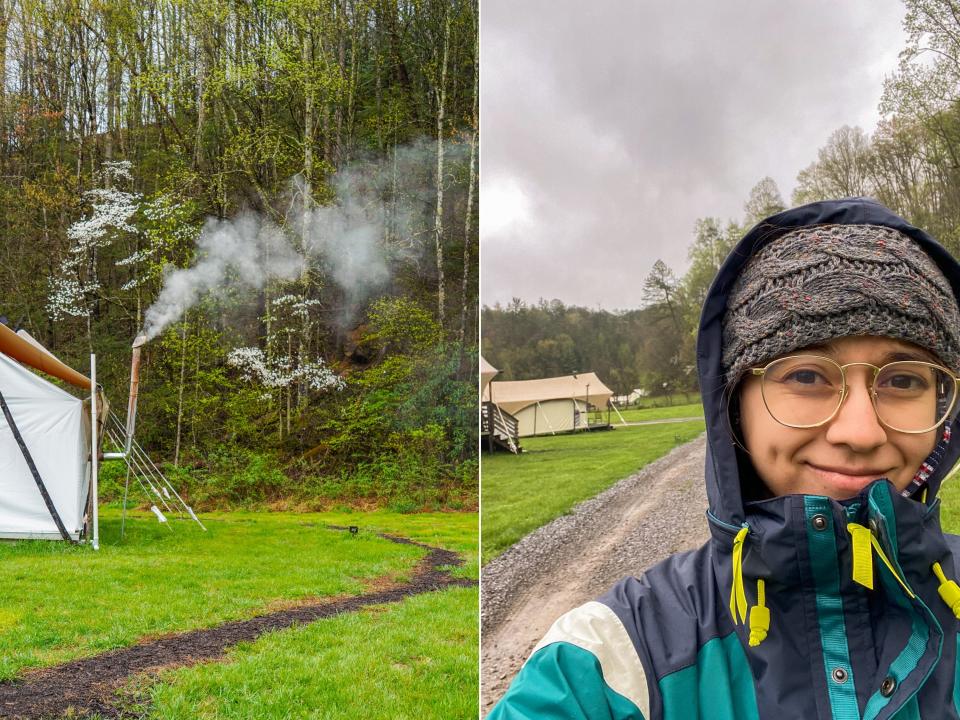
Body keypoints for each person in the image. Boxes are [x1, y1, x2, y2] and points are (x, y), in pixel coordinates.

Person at [487, 197, 960, 719]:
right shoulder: (608, 663)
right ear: (734, 406)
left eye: (903, 380)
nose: (861, 432)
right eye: (806, 376)